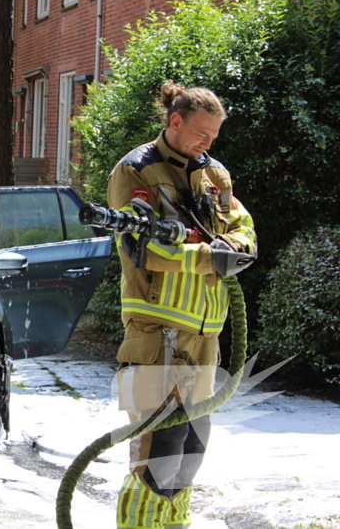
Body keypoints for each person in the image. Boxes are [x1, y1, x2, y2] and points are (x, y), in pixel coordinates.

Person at [107, 81, 257, 529]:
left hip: (205, 337)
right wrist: (213, 257)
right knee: (156, 459)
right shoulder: (136, 171)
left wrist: (233, 246)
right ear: (175, 121)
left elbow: (244, 231)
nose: (208, 144)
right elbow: (143, 250)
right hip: (157, 335)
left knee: (189, 457)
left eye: (213, 137)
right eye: (202, 134)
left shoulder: (215, 175)